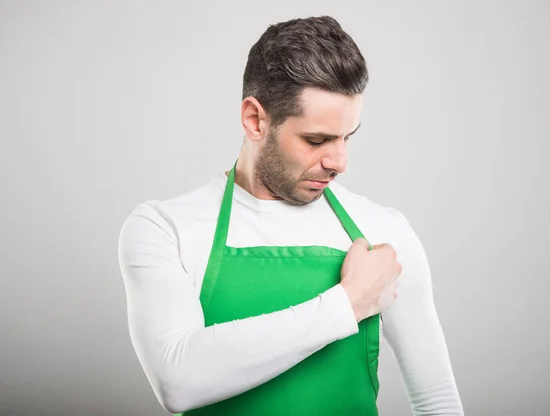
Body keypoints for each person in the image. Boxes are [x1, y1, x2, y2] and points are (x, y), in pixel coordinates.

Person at [118, 15, 464, 416]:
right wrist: (348, 303)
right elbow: (177, 381)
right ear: (255, 120)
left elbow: (436, 401)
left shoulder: (384, 232)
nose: (339, 162)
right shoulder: (166, 228)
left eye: (347, 137)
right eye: (316, 140)